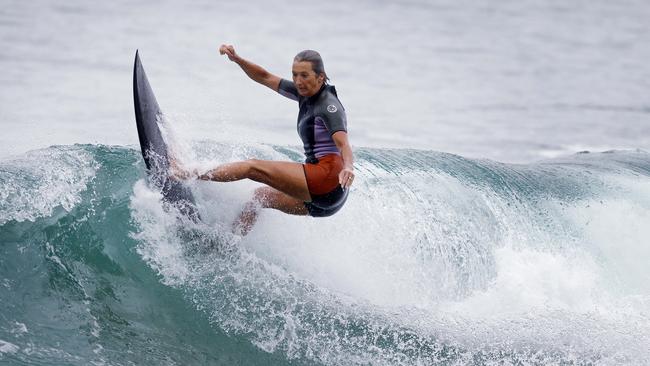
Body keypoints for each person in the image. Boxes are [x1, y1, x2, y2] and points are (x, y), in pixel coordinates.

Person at [171, 45, 355, 235]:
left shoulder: (329, 106)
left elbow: (344, 144)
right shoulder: (306, 94)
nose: (298, 81)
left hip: (327, 179)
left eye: (304, 75)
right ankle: (230, 244)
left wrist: (348, 167)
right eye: (294, 75)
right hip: (330, 202)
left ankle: (186, 173)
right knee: (259, 198)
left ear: (320, 77)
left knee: (252, 167)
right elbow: (265, 77)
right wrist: (238, 59)